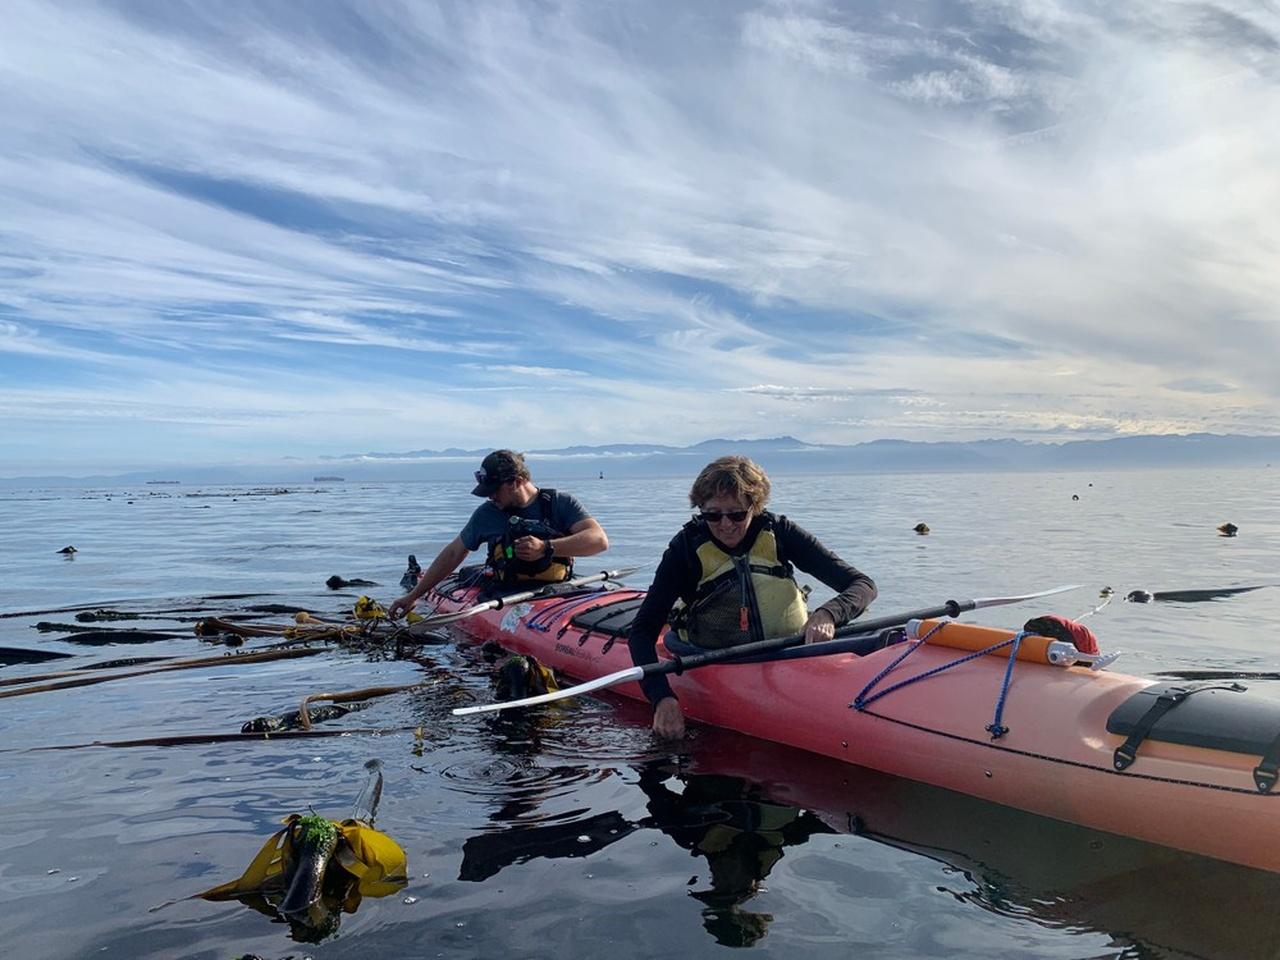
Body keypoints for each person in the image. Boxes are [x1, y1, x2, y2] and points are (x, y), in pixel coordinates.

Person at [628, 455, 876, 739]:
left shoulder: (780, 532)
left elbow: (862, 584)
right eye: (712, 515)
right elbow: (642, 632)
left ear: (755, 508)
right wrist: (662, 698)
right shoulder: (684, 549)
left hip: (791, 652)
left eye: (736, 514)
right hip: (713, 658)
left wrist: (828, 614)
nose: (725, 525)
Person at [388, 450, 609, 618]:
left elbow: (598, 541)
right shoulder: (488, 514)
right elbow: (454, 553)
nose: (490, 497)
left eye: (494, 490)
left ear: (518, 482)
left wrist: (546, 548)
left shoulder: (560, 504)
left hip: (558, 591)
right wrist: (412, 596)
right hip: (506, 592)